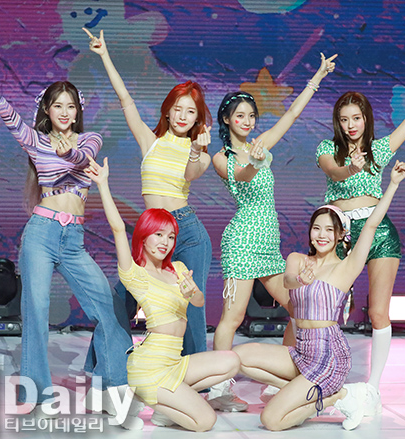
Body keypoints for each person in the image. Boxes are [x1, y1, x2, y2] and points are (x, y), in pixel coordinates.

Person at [0, 43, 141, 428]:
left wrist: (70, 153)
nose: (65, 112)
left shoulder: (90, 139)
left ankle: (110, 387)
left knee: (109, 308)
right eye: (57, 106)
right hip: (41, 232)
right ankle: (36, 393)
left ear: (78, 111)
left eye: (71, 106)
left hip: (74, 241)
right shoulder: (34, 141)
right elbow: (3, 108)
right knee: (35, 311)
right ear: (47, 111)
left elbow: (82, 159)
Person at [316, 68, 405, 415]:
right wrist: (351, 168)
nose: (351, 125)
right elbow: (334, 172)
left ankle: (373, 388)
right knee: (322, 306)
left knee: (379, 312)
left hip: (378, 231)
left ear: (366, 119)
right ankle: (313, 376)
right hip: (341, 233)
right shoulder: (327, 148)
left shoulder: (379, 150)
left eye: (356, 118)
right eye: (344, 119)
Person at [233, 158, 405, 431]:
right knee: (239, 357)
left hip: (328, 357)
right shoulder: (297, 259)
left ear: (340, 235)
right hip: (301, 352)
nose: (322, 235)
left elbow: (372, 224)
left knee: (270, 420)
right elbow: (289, 282)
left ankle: (338, 396)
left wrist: (394, 184)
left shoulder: (345, 267)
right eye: (316, 228)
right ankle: (311, 393)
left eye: (329, 230)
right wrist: (299, 279)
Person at [209, 53, 337, 410]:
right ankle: (219, 390)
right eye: (240, 116)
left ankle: (278, 381)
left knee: (298, 309)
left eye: (251, 116)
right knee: (233, 318)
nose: (247, 121)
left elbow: (292, 114)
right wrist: (254, 159)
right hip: (242, 241)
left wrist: (317, 77)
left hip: (268, 244)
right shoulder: (223, 157)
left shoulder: (260, 144)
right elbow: (242, 175)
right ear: (226, 119)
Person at [84, 156, 241, 431]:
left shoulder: (177, 268)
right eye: (158, 235)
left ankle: (166, 408)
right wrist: (103, 184)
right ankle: (151, 399)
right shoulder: (135, 273)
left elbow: (199, 302)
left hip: (175, 364)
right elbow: (118, 228)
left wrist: (191, 293)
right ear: (144, 236)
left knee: (231, 361)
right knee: (205, 421)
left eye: (170, 237)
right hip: (150, 368)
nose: (165, 243)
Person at [83, 28, 212, 359]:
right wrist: (105, 55)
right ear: (168, 110)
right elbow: (125, 99)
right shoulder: (150, 141)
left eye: (191, 112)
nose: (183, 117)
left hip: (187, 232)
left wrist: (196, 151)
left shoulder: (201, 153)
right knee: (122, 297)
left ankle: (197, 377)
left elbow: (191, 174)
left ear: (198, 119)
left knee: (190, 304)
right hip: (152, 228)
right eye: (178, 109)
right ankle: (103, 366)